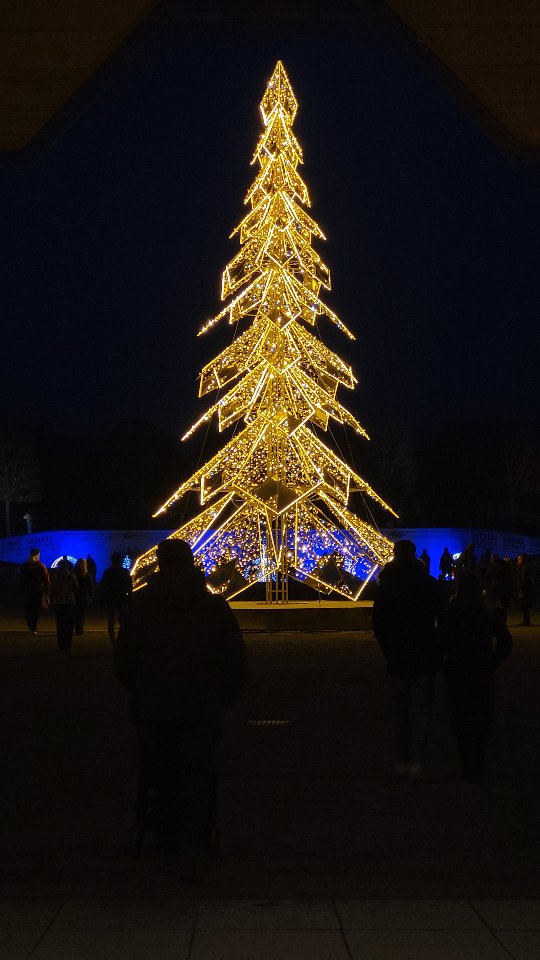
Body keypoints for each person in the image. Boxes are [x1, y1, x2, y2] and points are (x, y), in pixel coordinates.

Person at [114, 538, 245, 877]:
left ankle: (167, 837)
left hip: (154, 707)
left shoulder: (141, 606)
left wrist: (139, 689)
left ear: (159, 564)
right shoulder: (213, 607)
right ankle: (197, 838)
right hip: (202, 706)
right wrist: (225, 695)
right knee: (199, 772)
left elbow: (124, 660)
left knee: (161, 773)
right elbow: (233, 658)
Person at [373, 539, 441, 781]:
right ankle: (418, 762)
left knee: (401, 710)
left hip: (398, 653)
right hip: (424, 652)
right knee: (422, 711)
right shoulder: (428, 583)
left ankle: (401, 759)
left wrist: (388, 648)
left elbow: (378, 623)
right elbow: (441, 619)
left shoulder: (386, 586)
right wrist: (436, 646)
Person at [439, 569, 512, 783]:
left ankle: (466, 766)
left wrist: (446, 659)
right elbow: (506, 644)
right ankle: (477, 766)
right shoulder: (486, 612)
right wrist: (491, 660)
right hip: (480, 668)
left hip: (457, 668)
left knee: (461, 718)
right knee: (481, 718)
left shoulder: (451, 611)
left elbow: (441, 640)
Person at [101, 552, 133, 644]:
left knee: (111, 620)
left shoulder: (108, 572)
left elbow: (104, 586)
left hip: (111, 598)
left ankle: (113, 641)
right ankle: (121, 640)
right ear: (120, 560)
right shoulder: (125, 572)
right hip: (122, 598)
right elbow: (129, 587)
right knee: (122, 620)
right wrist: (130, 599)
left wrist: (102, 599)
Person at [19, 547, 50, 634]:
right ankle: (34, 628)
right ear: (38, 555)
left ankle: (31, 627)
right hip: (38, 590)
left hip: (28, 590)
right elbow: (46, 580)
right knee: (35, 609)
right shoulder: (41, 566)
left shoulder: (25, 566)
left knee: (28, 609)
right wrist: (47, 593)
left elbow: (21, 579)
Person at [50, 558, 78, 654]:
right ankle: (68, 645)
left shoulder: (56, 577)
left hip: (59, 603)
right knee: (69, 626)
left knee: (60, 625)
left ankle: (61, 645)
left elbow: (52, 589)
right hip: (70, 603)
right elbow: (76, 589)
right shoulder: (72, 577)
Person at [73, 557, 94, 636]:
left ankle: (76, 628)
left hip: (75, 596)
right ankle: (80, 630)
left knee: (75, 614)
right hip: (84, 597)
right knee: (82, 614)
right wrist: (91, 596)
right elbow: (90, 586)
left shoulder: (74, 573)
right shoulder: (87, 574)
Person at [516, 554, 534, 626]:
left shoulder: (524, 567)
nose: (518, 560)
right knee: (524, 605)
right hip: (525, 589)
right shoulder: (521, 567)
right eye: (518, 559)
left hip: (525, 589)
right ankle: (526, 621)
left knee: (525, 605)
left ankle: (526, 621)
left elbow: (523, 579)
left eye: (520, 559)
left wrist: (521, 588)